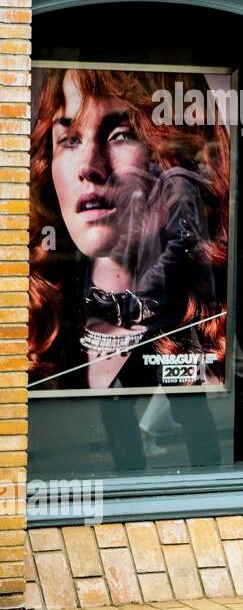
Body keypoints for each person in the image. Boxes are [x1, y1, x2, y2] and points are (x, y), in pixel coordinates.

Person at [28, 68, 229, 392]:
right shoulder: (33, 317)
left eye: (121, 134)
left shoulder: (231, 316)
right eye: (70, 140)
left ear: (180, 159)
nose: (88, 167)